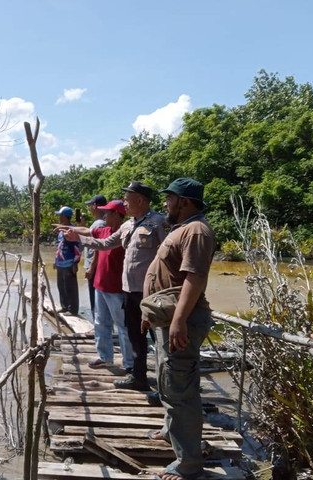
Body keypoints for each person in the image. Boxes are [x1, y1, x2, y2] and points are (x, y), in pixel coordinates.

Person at [142, 178, 216, 480]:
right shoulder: (182, 229)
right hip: (167, 318)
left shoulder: (196, 231)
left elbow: (194, 279)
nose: (165, 204)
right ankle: (171, 432)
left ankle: (187, 465)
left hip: (179, 321)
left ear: (184, 201)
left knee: (181, 390)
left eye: (169, 199)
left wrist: (178, 321)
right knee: (169, 381)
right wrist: (152, 313)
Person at [64, 181, 166, 390]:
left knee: (158, 336)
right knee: (134, 335)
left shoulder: (158, 223)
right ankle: (138, 377)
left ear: (140, 200)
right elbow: (105, 244)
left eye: (128, 198)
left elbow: (169, 255)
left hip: (151, 291)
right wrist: (79, 239)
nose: (125, 202)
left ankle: (167, 382)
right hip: (129, 290)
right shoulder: (128, 225)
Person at [57, 200, 134, 371]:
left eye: (108, 213)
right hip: (100, 284)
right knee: (100, 322)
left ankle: (130, 364)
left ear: (117, 215)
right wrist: (68, 228)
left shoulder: (125, 234)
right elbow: (87, 230)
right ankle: (105, 357)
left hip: (117, 288)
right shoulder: (104, 230)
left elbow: (98, 242)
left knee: (123, 327)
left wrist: (76, 235)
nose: (104, 215)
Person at [54, 206, 81, 315]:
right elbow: (60, 246)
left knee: (70, 288)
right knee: (61, 286)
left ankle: (72, 309)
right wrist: (55, 261)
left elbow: (77, 248)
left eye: (60, 216)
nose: (59, 218)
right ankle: (64, 307)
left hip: (69, 263)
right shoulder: (61, 230)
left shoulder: (72, 230)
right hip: (60, 262)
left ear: (64, 216)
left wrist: (75, 263)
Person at [83, 194, 107, 318]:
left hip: (95, 267)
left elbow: (98, 249)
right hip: (97, 266)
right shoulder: (101, 222)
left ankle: (97, 325)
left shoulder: (99, 224)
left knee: (96, 298)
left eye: (90, 205)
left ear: (95, 206)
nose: (89, 209)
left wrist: (91, 267)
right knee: (99, 298)